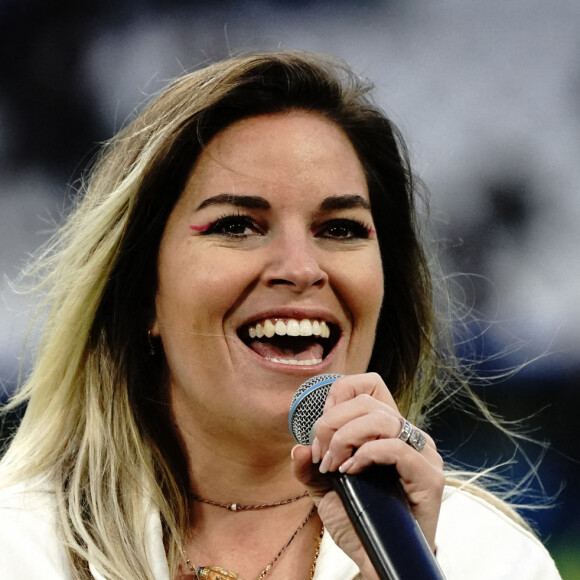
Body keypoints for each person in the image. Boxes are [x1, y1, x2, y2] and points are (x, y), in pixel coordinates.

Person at [0, 50, 561, 580]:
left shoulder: (486, 555)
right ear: (143, 291)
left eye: (340, 229)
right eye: (236, 225)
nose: (300, 268)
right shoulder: (20, 544)